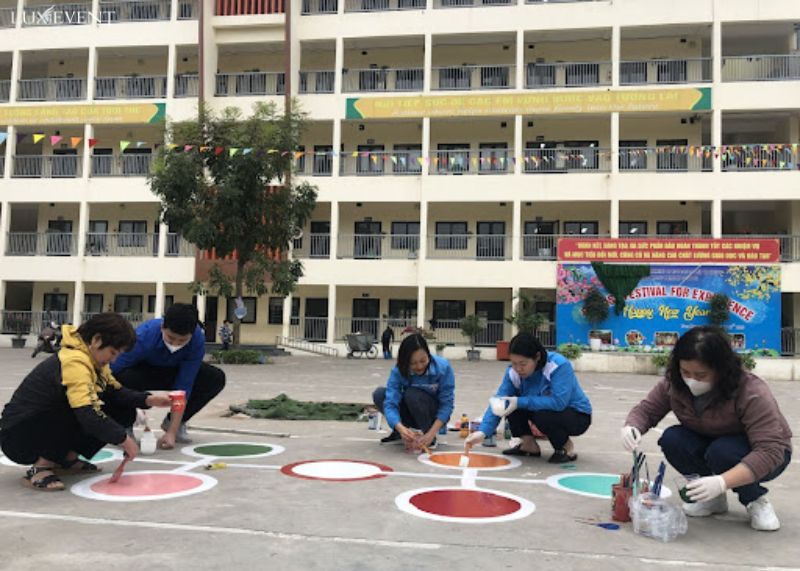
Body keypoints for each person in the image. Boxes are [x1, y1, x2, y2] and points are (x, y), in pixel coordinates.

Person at [621, 326, 792, 531]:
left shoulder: (751, 391)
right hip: (710, 442)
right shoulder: (674, 383)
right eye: (685, 372)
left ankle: (754, 499)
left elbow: (770, 451)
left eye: (701, 374)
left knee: (722, 452)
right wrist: (632, 426)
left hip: (761, 453)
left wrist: (722, 481)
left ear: (721, 369)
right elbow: (647, 410)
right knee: (673, 439)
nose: (691, 380)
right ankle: (713, 500)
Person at [0, 313, 171, 491]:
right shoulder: (74, 361)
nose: (114, 359)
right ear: (97, 340)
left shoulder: (93, 360)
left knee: (122, 409)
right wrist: (123, 439)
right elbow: (87, 412)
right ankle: (41, 467)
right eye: (113, 352)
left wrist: (148, 399)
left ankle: (66, 459)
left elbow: (114, 391)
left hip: (38, 427)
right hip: (19, 436)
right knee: (78, 406)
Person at [111, 303, 226, 449]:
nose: (175, 344)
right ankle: (124, 426)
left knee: (214, 377)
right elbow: (112, 372)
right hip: (141, 372)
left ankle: (175, 424)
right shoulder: (143, 335)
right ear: (162, 327)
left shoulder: (196, 340)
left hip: (174, 372)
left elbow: (184, 386)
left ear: (191, 335)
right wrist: (133, 401)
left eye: (182, 341)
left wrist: (171, 432)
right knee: (123, 377)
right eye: (171, 338)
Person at [465, 333, 592, 464]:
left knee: (540, 413)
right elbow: (500, 401)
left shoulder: (558, 366)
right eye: (514, 363)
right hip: (542, 410)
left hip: (576, 415)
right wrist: (483, 432)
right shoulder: (513, 373)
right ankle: (528, 445)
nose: (518, 369)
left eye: (523, 363)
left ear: (537, 357)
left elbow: (559, 402)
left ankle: (565, 447)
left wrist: (519, 402)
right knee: (510, 403)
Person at [372, 333, 455, 448]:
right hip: (410, 412)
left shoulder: (443, 368)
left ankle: (428, 436)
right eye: (413, 363)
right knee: (380, 394)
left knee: (412, 394)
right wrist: (400, 428)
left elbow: (447, 405)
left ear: (428, 354)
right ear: (405, 362)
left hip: (431, 415)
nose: (419, 366)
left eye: (423, 360)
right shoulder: (398, 371)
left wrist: (431, 433)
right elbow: (390, 403)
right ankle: (400, 434)